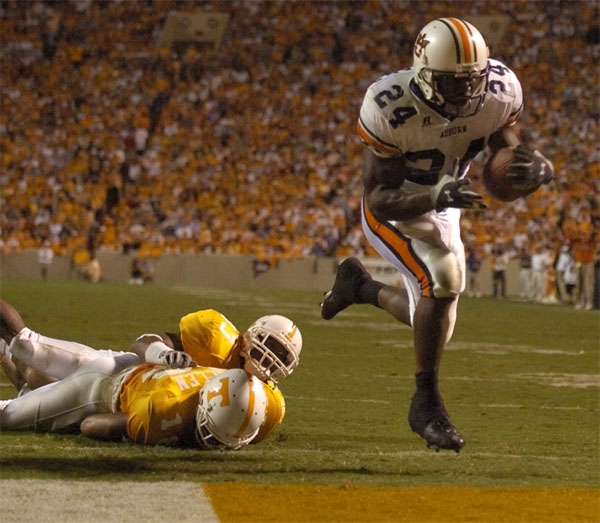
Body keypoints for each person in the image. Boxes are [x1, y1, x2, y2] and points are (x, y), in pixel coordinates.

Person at [321, 18, 553, 452]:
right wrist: (434, 195)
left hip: (446, 200)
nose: (465, 93)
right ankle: (425, 403)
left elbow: (506, 155)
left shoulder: (500, 91)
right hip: (399, 207)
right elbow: (381, 198)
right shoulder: (389, 105)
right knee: (444, 281)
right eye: (452, 83)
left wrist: (535, 166)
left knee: (432, 323)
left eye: (472, 80)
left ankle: (360, 287)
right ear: (424, 75)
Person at [0, 302, 288, 449]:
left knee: (32, 380)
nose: (267, 361)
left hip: (132, 377)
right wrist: (163, 354)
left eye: (279, 357)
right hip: (120, 373)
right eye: (266, 348)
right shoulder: (214, 342)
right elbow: (141, 344)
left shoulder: (266, 402)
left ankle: (10, 358)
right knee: (26, 353)